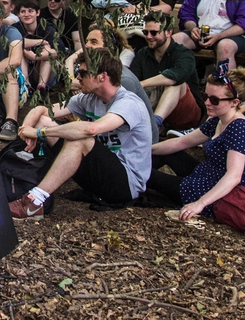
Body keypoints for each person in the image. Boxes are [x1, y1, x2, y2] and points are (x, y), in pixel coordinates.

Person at [8, 48, 153, 218]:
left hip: (126, 185)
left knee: (79, 138)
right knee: (44, 120)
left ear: (102, 76)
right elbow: (43, 110)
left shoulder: (128, 103)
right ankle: (27, 182)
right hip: (99, 175)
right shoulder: (89, 98)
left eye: (82, 72)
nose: (77, 77)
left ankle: (34, 201)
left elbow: (90, 129)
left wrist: (40, 133)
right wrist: (26, 130)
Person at [148, 66, 245, 217]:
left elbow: (234, 176)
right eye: (206, 96)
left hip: (223, 196)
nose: (207, 103)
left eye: (214, 100)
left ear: (235, 102)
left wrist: (200, 203)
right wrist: (145, 150)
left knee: (147, 175)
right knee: (166, 153)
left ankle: (127, 183)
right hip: (208, 175)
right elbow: (182, 142)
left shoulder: (239, 128)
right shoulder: (219, 119)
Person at [130, 12, 202, 132]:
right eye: (145, 32)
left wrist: (142, 84)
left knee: (175, 83)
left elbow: (176, 76)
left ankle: (154, 125)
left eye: (154, 33)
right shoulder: (143, 53)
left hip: (186, 113)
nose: (148, 36)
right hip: (152, 103)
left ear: (168, 32)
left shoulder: (183, 53)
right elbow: (134, 81)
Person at [0, 1, 27, 137]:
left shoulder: (11, 32)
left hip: (9, 87)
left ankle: (11, 122)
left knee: (9, 72)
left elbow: (15, 60)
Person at [17, 0, 66, 93]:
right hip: (22, 72)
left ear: (38, 13)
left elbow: (60, 51)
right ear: (18, 14)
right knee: (20, 49)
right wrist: (40, 41)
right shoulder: (15, 28)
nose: (27, 14)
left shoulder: (47, 27)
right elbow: (15, 42)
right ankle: (26, 85)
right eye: (23, 12)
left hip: (43, 72)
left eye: (30, 11)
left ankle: (41, 89)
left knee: (47, 52)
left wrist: (35, 57)